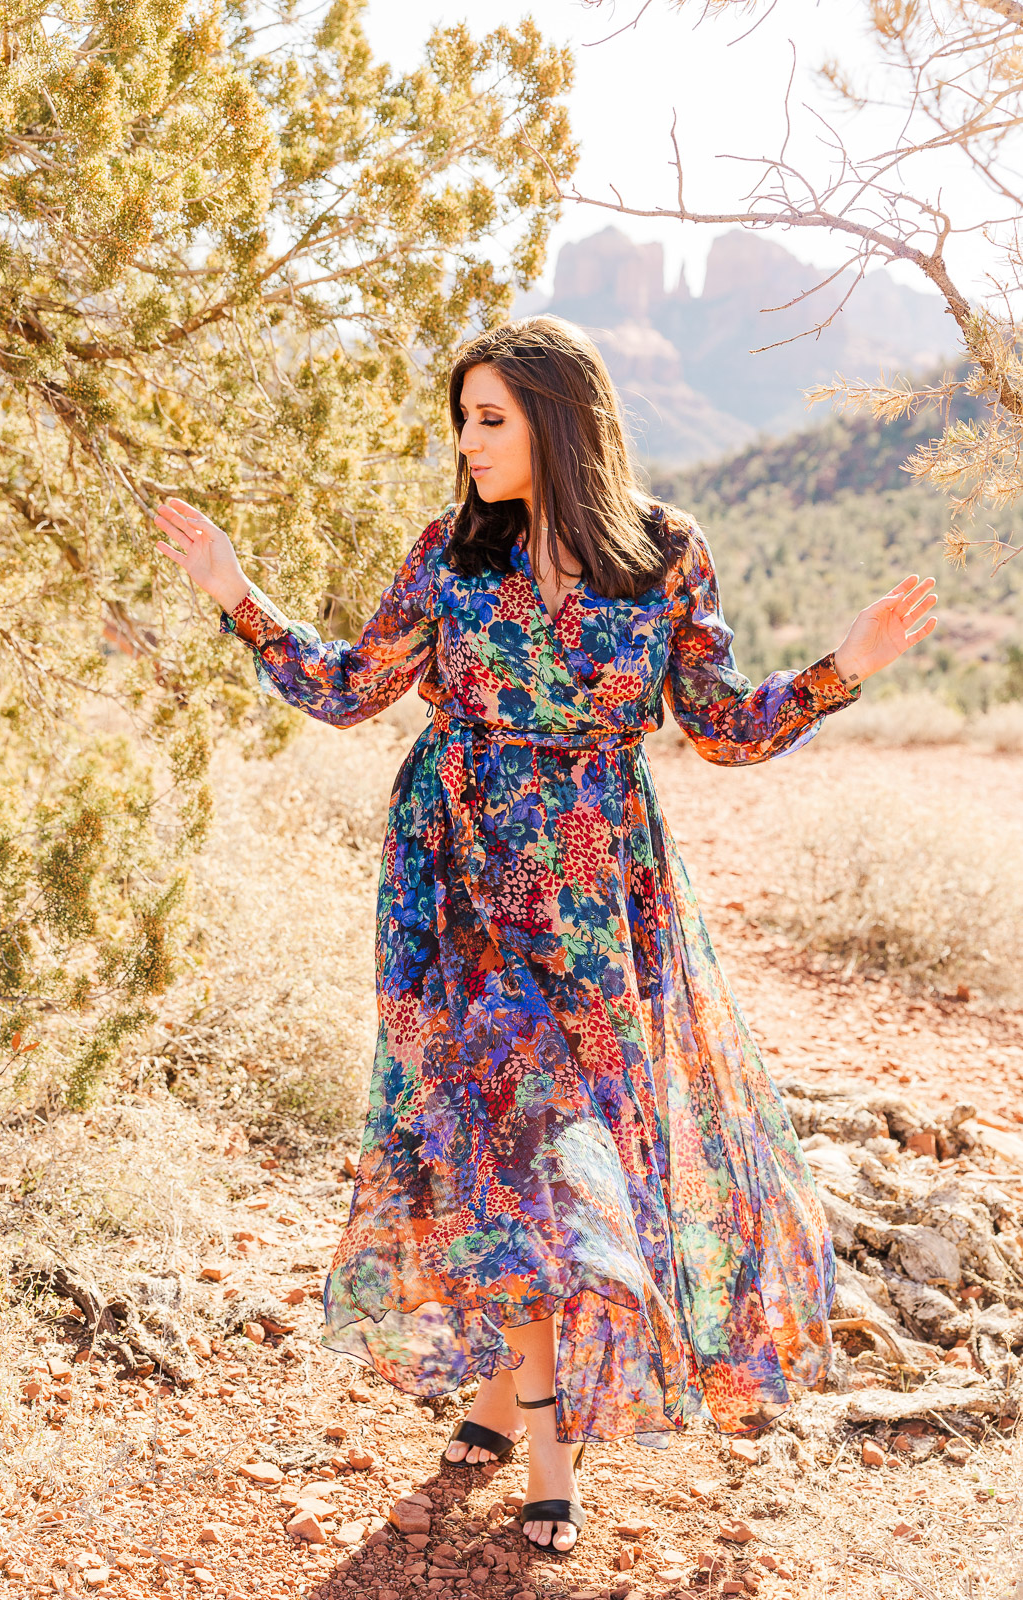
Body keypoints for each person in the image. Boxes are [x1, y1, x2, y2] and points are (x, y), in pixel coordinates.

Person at [154, 316, 937, 1555]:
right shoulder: (449, 558)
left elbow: (720, 725)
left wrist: (846, 663)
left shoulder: (665, 554)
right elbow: (348, 687)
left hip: (593, 890)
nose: (465, 443)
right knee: (511, 1146)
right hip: (457, 884)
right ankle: (549, 1439)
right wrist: (234, 595)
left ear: (555, 422)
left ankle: (491, 1394)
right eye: (461, 418)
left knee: (570, 1158)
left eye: (489, 418)